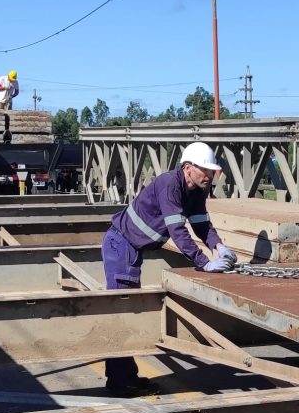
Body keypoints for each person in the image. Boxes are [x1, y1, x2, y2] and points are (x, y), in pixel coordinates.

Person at [102, 141, 238, 394]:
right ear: (188, 168)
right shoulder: (169, 185)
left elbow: (201, 224)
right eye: (205, 171)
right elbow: (178, 230)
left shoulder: (197, 190)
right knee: (123, 313)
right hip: (122, 246)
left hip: (132, 248)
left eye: (211, 171)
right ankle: (119, 382)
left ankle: (126, 377)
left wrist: (219, 247)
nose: (210, 176)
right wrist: (204, 262)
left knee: (130, 312)